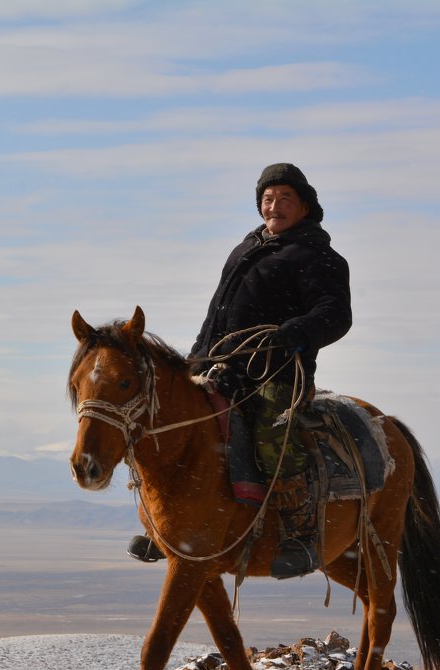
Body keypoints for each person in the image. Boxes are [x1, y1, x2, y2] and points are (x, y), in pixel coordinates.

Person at [128, 163, 352, 578]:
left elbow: (335, 315)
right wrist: (194, 362)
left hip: (276, 372)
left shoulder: (319, 256)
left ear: (304, 206)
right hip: (221, 367)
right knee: (174, 426)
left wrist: (292, 334)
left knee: (272, 437)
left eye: (285, 198)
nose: (274, 206)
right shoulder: (244, 249)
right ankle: (167, 525)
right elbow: (217, 314)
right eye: (268, 199)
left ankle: (300, 533)